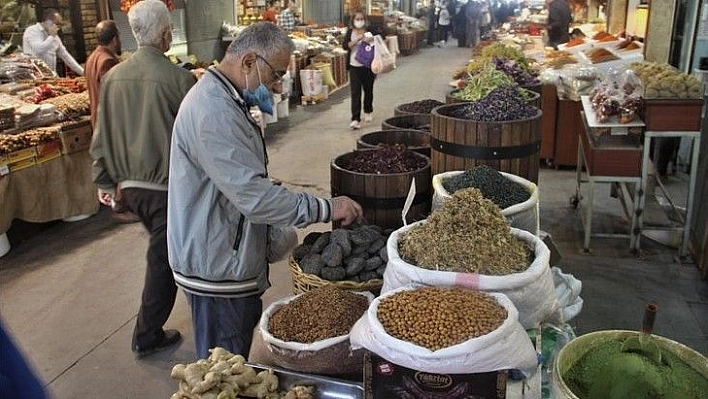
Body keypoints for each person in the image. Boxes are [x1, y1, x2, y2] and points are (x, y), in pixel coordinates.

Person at [167, 22, 364, 359]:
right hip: (217, 270)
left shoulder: (226, 97)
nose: (276, 86)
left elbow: (237, 180)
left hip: (223, 256)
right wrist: (327, 208)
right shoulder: (213, 111)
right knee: (224, 372)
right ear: (248, 61)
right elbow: (255, 200)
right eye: (275, 75)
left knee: (231, 358)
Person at [89, 0, 196, 358]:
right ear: (166, 34)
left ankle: (155, 327)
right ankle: (146, 335)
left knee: (164, 254)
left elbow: (100, 135)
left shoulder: (114, 77)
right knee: (164, 263)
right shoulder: (179, 79)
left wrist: (105, 182)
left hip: (131, 189)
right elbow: (197, 138)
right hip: (166, 191)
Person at [85, 20, 140, 225]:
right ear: (115, 38)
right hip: (111, 122)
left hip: (98, 119)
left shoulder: (92, 58)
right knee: (118, 165)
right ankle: (120, 206)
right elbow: (116, 94)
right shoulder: (107, 61)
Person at [22, 8, 83, 76]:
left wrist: (83, 72)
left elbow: (66, 56)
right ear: (48, 22)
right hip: (35, 75)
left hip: (51, 74)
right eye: (57, 24)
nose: (58, 27)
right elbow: (39, 50)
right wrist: (51, 36)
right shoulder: (32, 31)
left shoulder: (55, 37)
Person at [343, 11, 376, 130]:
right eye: (357, 19)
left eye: (361, 18)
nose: (359, 21)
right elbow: (345, 46)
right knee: (355, 93)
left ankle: (368, 110)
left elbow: (379, 41)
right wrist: (356, 40)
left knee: (368, 90)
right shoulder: (350, 32)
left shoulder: (370, 30)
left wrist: (371, 40)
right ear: (353, 20)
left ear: (365, 20)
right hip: (354, 66)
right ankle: (355, 119)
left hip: (367, 66)